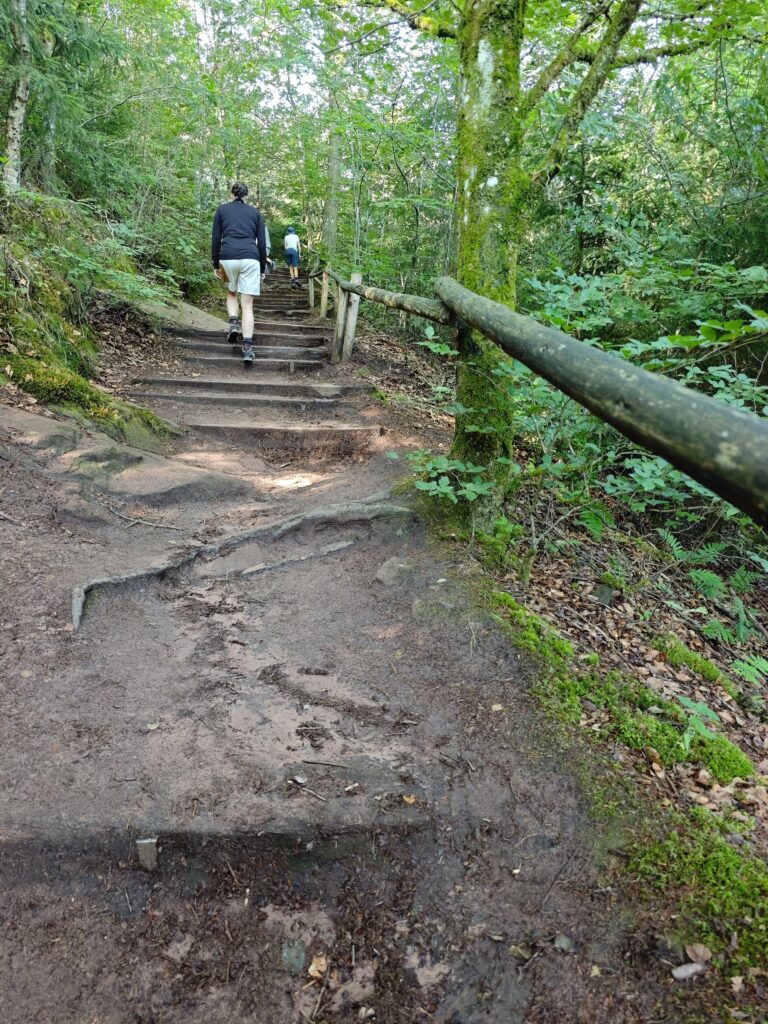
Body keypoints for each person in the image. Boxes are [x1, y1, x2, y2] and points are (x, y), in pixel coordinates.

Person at [211, 182, 267, 365]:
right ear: (247, 195)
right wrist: (261, 267)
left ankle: (234, 323)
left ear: (231, 194)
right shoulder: (255, 213)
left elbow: (216, 238)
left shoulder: (221, 210)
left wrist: (215, 264)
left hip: (226, 259)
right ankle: (248, 349)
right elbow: (261, 243)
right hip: (251, 259)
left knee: (231, 292)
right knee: (248, 305)